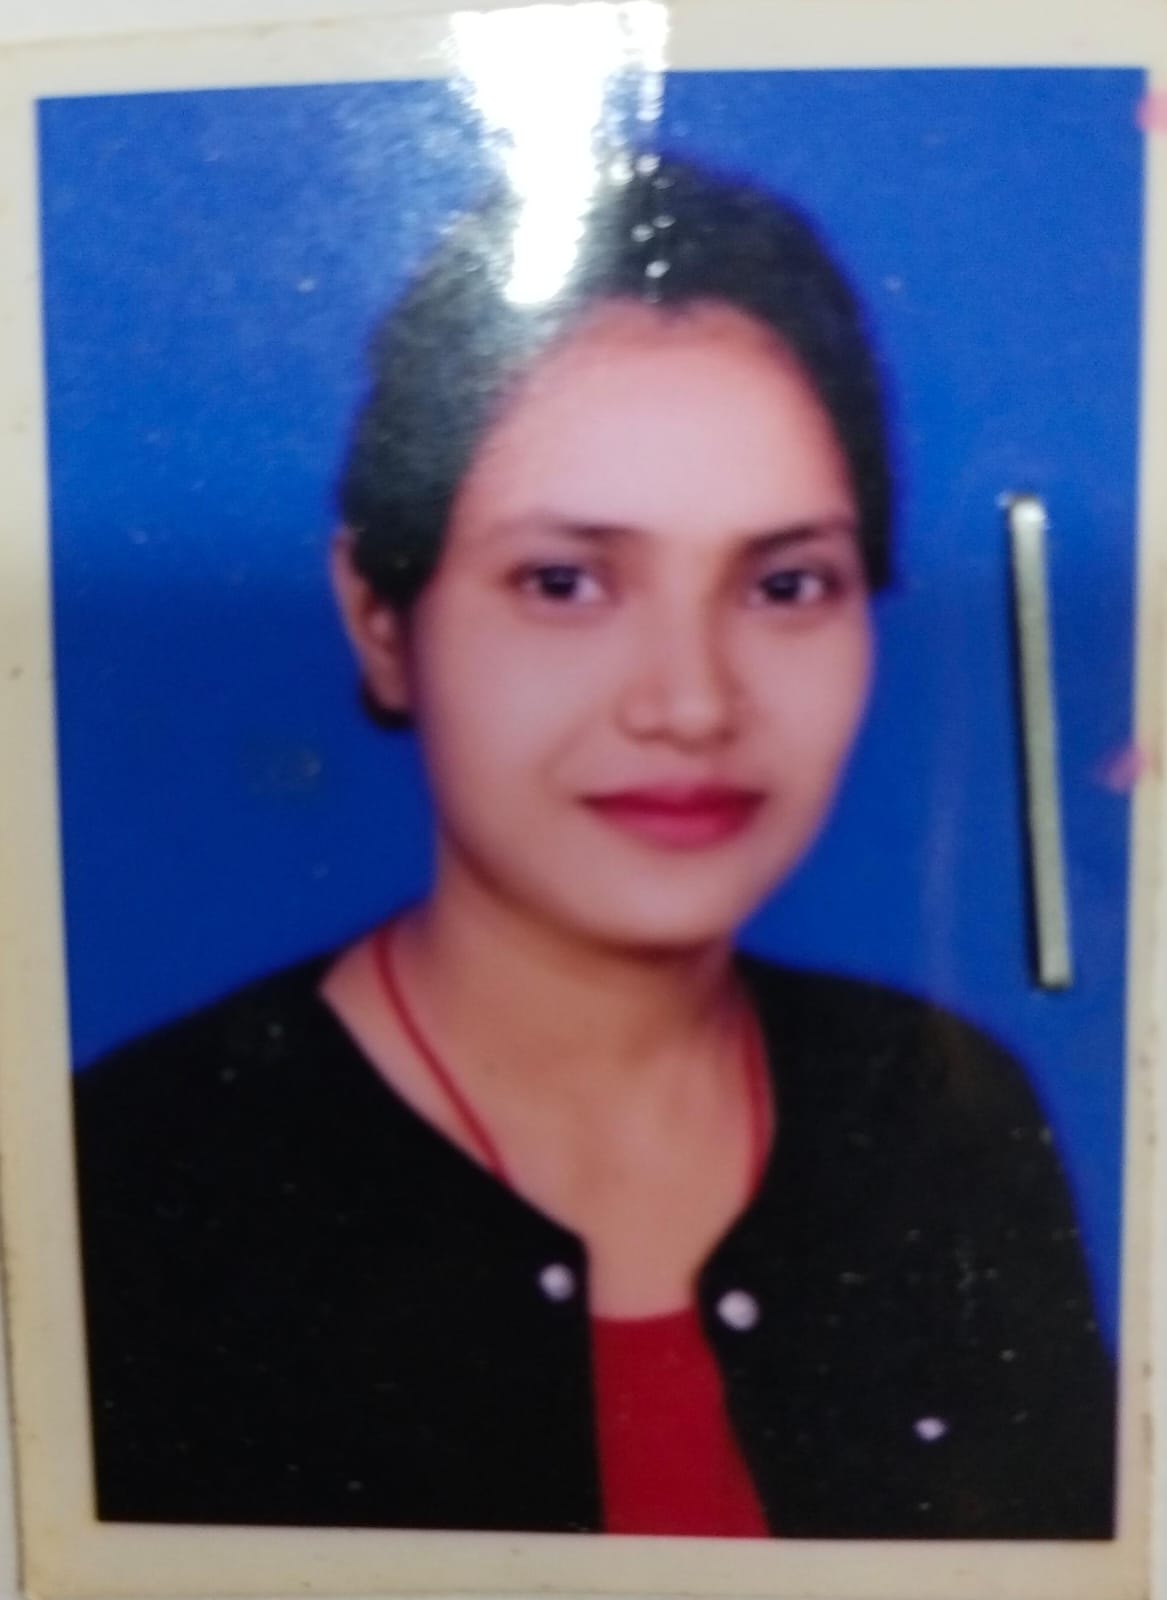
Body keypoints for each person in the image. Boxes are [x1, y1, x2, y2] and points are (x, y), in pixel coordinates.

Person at [72, 153, 1115, 1540]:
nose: (690, 702)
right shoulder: (129, 1185)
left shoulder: (946, 1117)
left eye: (785, 583)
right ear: (381, 619)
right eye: (565, 581)